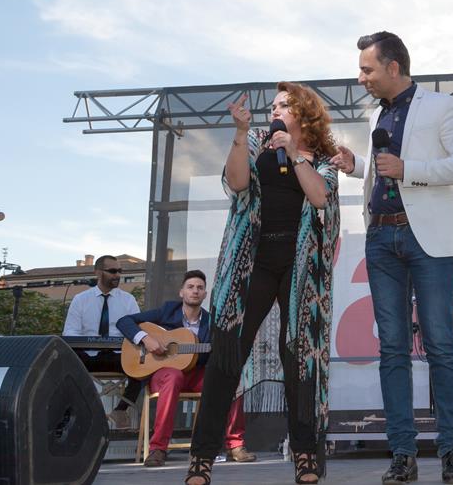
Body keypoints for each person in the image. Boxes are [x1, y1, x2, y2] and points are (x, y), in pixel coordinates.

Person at [332, 31, 453, 484]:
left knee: (440, 345)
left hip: (426, 240)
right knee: (391, 349)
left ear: (393, 67)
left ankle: (452, 452)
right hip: (381, 237)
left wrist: (408, 170)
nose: (361, 78)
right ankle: (403, 453)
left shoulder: (441, 106)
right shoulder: (377, 115)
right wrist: (357, 165)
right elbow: (383, 172)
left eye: (367, 69)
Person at [186, 82, 340, 485]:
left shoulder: (323, 157)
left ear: (304, 112)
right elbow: (237, 182)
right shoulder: (255, 141)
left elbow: (320, 197)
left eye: (284, 104)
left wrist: (294, 153)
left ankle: (304, 454)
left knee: (299, 360)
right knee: (227, 357)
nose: (275, 111)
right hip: (251, 261)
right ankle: (202, 457)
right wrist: (240, 133)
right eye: (273, 105)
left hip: (299, 266)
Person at [116, 270, 255, 467]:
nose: (195, 291)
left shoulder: (211, 322)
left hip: (195, 375)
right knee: (174, 376)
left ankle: (235, 445)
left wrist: (226, 350)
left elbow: (214, 354)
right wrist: (145, 339)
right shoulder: (167, 311)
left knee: (232, 379)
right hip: (164, 375)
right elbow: (124, 321)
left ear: (205, 294)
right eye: (190, 287)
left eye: (200, 288)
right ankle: (158, 449)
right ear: (181, 292)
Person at [63, 254, 142, 429]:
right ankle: (76, 412)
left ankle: (120, 410)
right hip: (88, 356)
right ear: (98, 272)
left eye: (120, 271)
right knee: (63, 365)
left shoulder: (128, 300)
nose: (117, 275)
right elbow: (70, 332)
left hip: (118, 356)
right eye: (112, 271)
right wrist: (90, 342)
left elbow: (137, 331)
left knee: (142, 368)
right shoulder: (80, 300)